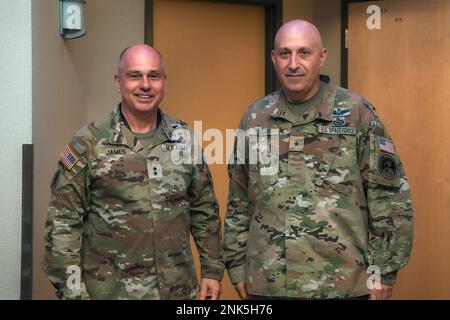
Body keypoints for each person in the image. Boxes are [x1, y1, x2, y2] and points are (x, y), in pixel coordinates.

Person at [223, 20, 413, 300]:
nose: (293, 64)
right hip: (268, 283)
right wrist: (237, 266)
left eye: (304, 53)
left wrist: (384, 270)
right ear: (274, 59)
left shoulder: (355, 113)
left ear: (322, 57)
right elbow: (238, 198)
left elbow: (389, 195)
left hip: (342, 284)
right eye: (285, 53)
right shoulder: (255, 117)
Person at [42, 44, 224, 300]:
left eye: (154, 75)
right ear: (118, 82)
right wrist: (73, 294)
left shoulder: (184, 138)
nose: (145, 85)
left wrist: (212, 270)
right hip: (110, 293)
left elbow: (204, 210)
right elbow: (63, 225)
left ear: (164, 82)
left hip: (179, 292)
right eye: (135, 75)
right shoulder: (89, 142)